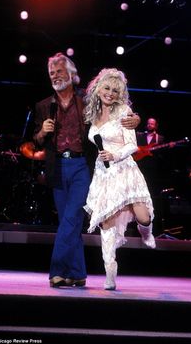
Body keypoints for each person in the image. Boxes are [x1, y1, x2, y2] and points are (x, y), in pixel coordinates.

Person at [33, 53, 140, 288]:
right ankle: (78, 273)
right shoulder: (44, 106)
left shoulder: (87, 101)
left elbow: (116, 105)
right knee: (68, 221)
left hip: (83, 166)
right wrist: (42, 131)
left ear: (72, 75)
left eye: (60, 71)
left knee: (71, 218)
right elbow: (35, 142)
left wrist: (136, 118)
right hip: (58, 167)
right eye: (52, 72)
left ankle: (57, 271)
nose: (55, 76)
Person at [83, 68, 156, 291]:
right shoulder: (92, 113)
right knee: (107, 223)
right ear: (98, 89)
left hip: (124, 169)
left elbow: (133, 145)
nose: (110, 93)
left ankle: (147, 232)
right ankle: (110, 274)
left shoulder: (124, 111)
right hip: (104, 174)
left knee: (143, 217)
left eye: (115, 90)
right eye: (106, 88)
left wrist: (114, 155)